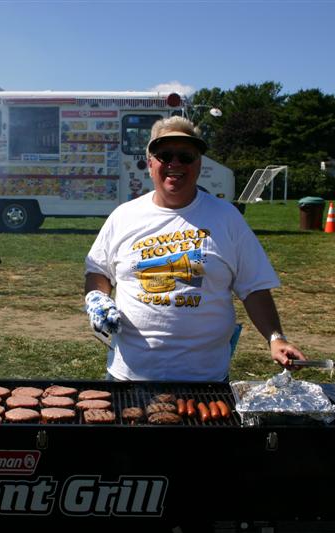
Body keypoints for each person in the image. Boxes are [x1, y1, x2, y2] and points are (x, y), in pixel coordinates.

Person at [83, 116, 305, 381]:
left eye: (186, 156)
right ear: (150, 163)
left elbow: (254, 286)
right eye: (165, 155)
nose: (175, 163)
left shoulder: (227, 217)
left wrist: (275, 338)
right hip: (129, 376)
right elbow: (98, 270)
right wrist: (97, 298)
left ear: (199, 164)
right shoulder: (124, 216)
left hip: (204, 380)